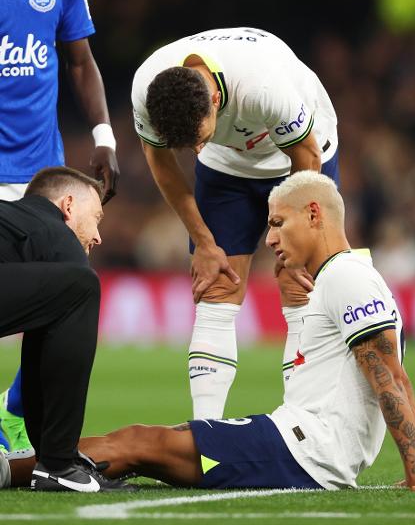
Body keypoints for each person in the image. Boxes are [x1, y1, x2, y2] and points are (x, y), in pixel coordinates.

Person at [3, 171, 415, 492]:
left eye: (277, 223)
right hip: (301, 440)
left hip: (305, 451)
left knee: (140, 442)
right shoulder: (330, 280)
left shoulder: (350, 277)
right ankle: (35, 466)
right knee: (153, 440)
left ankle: (21, 469)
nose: (269, 238)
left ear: (315, 214)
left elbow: (389, 376)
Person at [132, 26, 339, 419]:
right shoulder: (148, 87)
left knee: (298, 288)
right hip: (226, 166)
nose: (194, 148)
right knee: (216, 285)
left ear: (214, 100)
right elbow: (161, 163)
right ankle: (207, 431)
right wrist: (203, 241)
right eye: (187, 144)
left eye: (198, 137)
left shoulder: (263, 85)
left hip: (300, 156)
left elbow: (307, 158)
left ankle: (303, 422)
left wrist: (288, 232)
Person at [0, 0, 120, 454]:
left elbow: (79, 60)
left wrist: (103, 134)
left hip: (40, 183)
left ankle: (22, 413)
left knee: (67, 292)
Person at [0, 166, 134, 492]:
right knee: (83, 286)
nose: (99, 236)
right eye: (97, 217)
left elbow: (43, 337)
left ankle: (54, 461)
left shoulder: (17, 224)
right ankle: (59, 466)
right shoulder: (53, 230)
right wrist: (58, 460)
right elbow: (55, 341)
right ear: (69, 206)